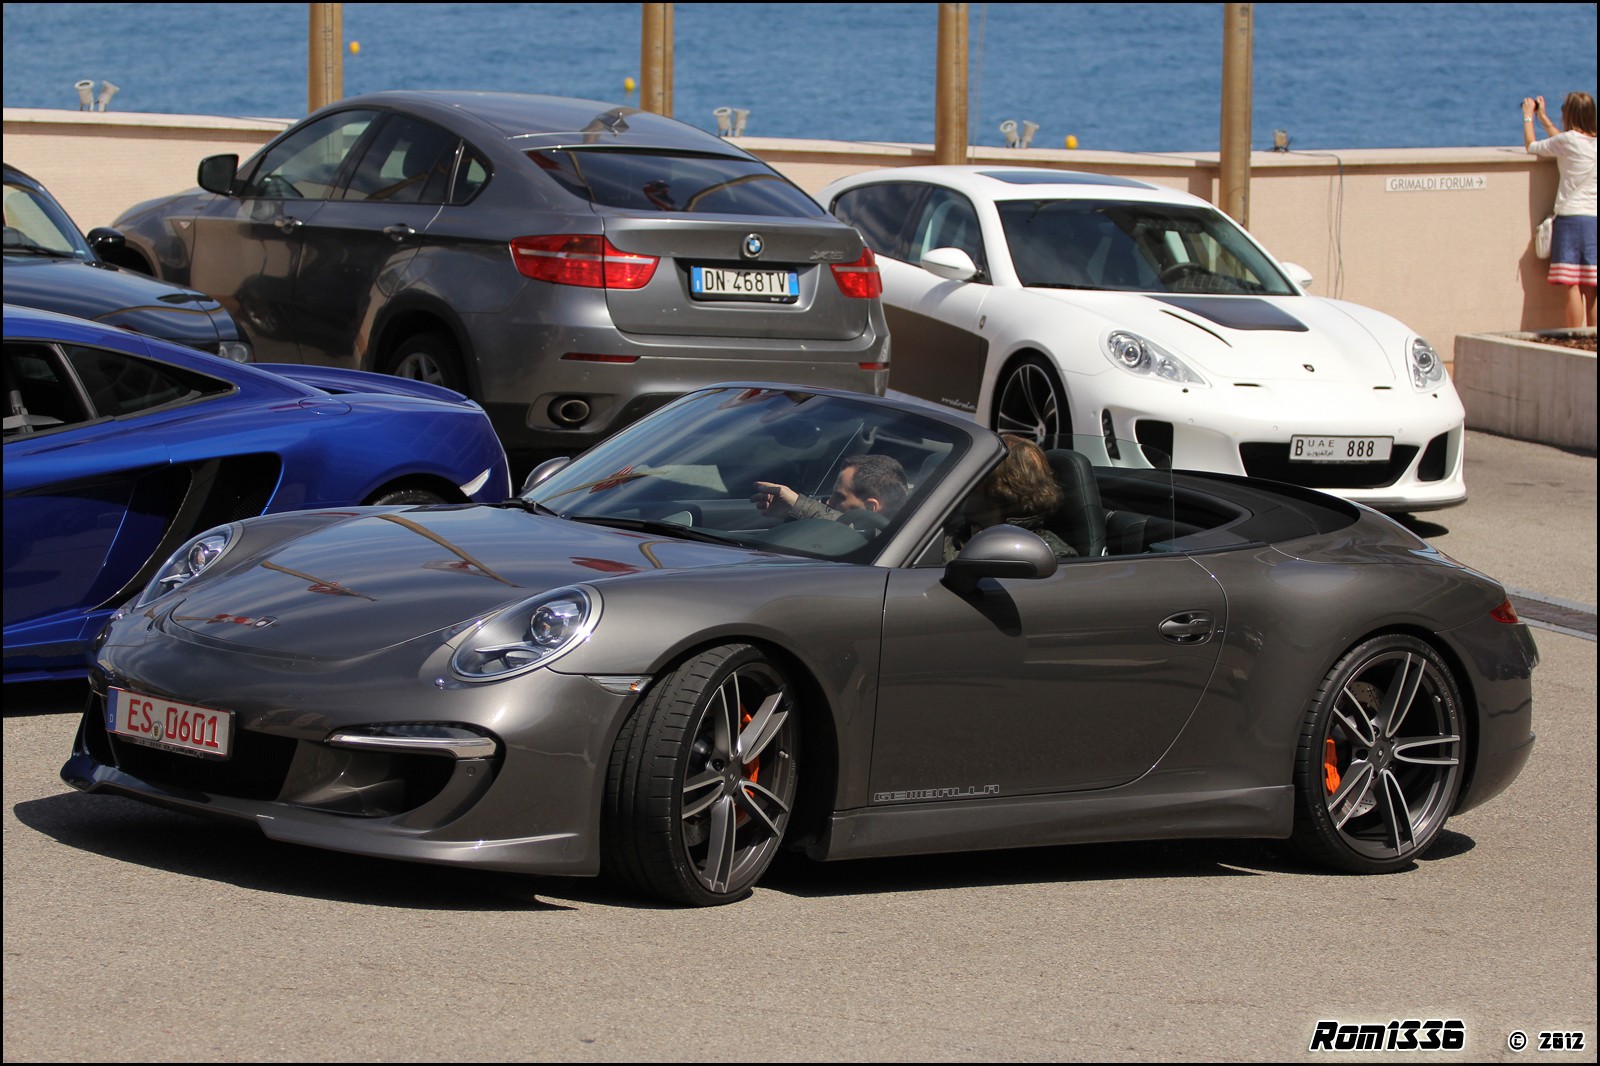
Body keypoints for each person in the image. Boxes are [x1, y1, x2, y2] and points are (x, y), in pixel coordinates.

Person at [1524, 92, 1597, 328]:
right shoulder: (1587, 143)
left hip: (1572, 220)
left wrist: (1528, 117)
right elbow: (1564, 141)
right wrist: (1543, 118)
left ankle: (1576, 338)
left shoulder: (1568, 141)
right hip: (1594, 220)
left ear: (1569, 113)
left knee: (1572, 283)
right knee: (1592, 287)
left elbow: (1532, 146)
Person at [943, 435, 1078, 562]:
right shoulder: (957, 531)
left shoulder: (1045, 557)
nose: (968, 484)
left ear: (999, 487)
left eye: (978, 476)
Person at [752, 453, 909, 522]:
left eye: (840, 497)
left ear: (870, 507)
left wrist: (798, 504)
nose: (828, 502)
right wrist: (790, 512)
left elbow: (854, 530)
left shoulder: (880, 547)